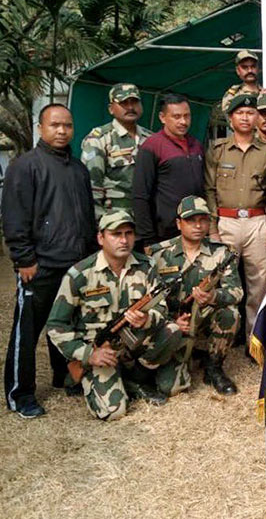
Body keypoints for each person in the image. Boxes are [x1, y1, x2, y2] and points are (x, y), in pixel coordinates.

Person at [46, 211, 189, 421]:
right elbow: (56, 325)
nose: (124, 240)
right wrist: (88, 354)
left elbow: (162, 309)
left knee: (173, 335)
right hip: (102, 351)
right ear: (101, 238)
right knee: (113, 411)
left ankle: (135, 379)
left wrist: (147, 319)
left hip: (136, 341)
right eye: (116, 234)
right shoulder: (80, 274)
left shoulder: (146, 266)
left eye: (128, 233)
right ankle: (110, 381)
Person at [2, 104, 97, 418]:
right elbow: (13, 217)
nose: (62, 131)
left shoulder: (78, 169)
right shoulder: (25, 166)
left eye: (67, 125)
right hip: (39, 264)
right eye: (55, 125)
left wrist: (88, 258)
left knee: (67, 325)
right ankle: (20, 394)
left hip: (74, 264)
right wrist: (24, 259)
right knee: (27, 332)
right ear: (40, 128)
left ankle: (64, 376)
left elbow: (86, 217)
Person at [148, 196, 243, 395]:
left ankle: (214, 367)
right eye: (191, 220)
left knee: (230, 314)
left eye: (203, 220)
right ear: (178, 223)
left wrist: (213, 296)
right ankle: (184, 356)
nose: (198, 226)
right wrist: (170, 322)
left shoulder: (222, 253)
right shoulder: (158, 255)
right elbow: (148, 299)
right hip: (172, 323)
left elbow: (236, 292)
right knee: (170, 387)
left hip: (204, 317)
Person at [204, 93, 266, 339]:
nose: (245, 117)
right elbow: (209, 190)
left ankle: (253, 340)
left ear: (257, 117)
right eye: (240, 113)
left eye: (250, 113)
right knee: (224, 283)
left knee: (259, 285)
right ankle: (222, 338)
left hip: (258, 222)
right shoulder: (217, 149)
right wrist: (213, 228)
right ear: (231, 118)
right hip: (226, 223)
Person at [132, 94, 204, 247]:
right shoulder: (152, 147)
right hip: (165, 234)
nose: (183, 121)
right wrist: (148, 239)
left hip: (195, 228)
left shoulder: (196, 145)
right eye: (176, 117)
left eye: (187, 116)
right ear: (162, 117)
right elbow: (140, 195)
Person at [81, 83, 152, 221]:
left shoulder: (151, 138)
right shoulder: (99, 139)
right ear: (111, 108)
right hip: (114, 221)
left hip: (145, 219)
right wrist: (100, 222)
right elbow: (92, 186)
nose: (130, 107)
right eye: (124, 103)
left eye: (134, 102)